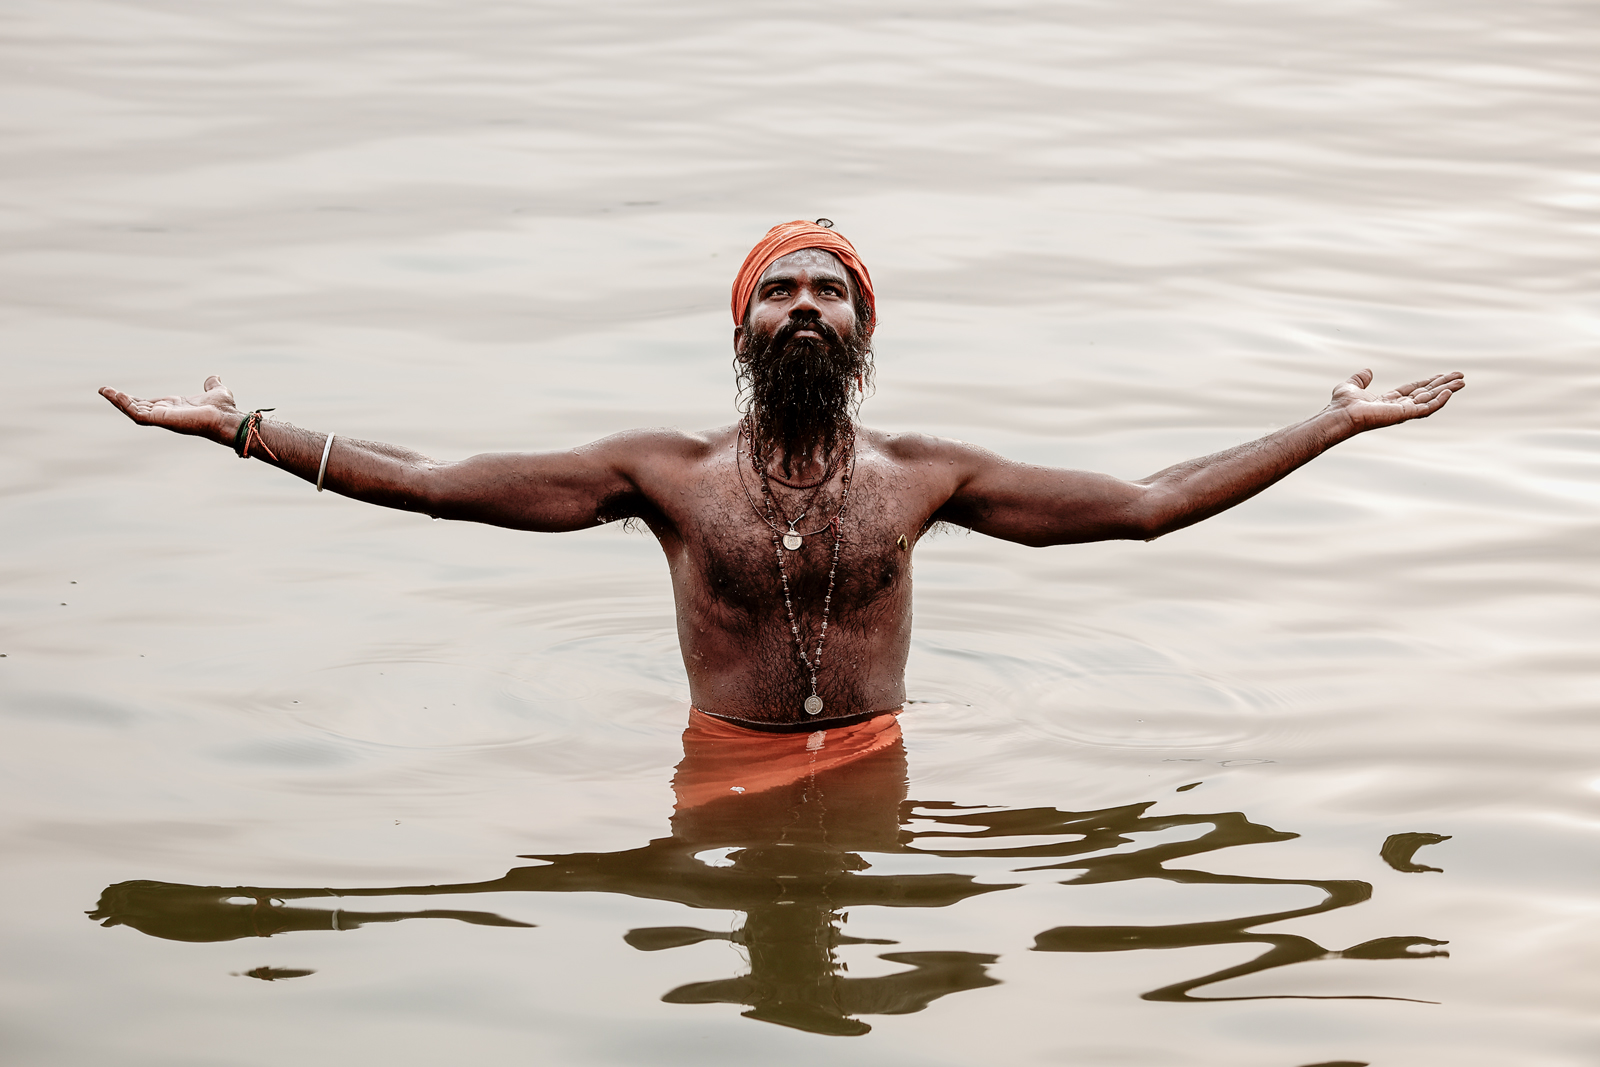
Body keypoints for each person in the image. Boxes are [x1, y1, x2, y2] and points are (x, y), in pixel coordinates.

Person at [100, 219, 1464, 731]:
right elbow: (443, 483)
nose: (805, 307)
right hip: (722, 760)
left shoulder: (927, 475)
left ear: (865, 328)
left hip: (877, 756)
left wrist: (1328, 425)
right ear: (742, 326)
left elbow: (1150, 504)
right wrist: (242, 429)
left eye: (830, 290)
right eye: (780, 291)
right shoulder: (665, 475)